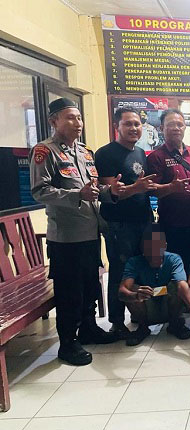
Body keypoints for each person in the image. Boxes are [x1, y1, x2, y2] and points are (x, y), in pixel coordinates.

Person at [30, 98, 125, 365]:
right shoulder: (44, 151)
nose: (78, 123)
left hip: (91, 232)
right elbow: (40, 191)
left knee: (91, 285)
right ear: (54, 121)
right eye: (70, 117)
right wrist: (76, 195)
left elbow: (91, 190)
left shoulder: (84, 152)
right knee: (70, 291)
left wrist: (110, 191)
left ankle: (89, 329)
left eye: (79, 117)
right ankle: (68, 343)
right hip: (66, 237)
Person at [96, 107, 158, 340]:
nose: (134, 128)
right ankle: (116, 321)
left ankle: (138, 315)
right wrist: (136, 188)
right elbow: (111, 193)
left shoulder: (141, 153)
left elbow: (146, 186)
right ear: (117, 126)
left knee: (140, 270)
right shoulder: (105, 154)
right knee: (120, 271)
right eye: (128, 124)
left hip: (143, 221)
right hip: (119, 224)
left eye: (137, 124)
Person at [119, 224, 190, 346]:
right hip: (147, 308)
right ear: (142, 247)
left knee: (176, 285)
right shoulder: (134, 262)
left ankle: (175, 324)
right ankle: (143, 328)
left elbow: (182, 285)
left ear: (164, 246)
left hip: (169, 307)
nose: (153, 250)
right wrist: (136, 295)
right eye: (148, 246)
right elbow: (122, 291)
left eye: (157, 245)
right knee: (132, 289)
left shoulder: (174, 259)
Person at [147, 108, 190, 271]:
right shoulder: (156, 157)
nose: (176, 128)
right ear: (161, 128)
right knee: (173, 267)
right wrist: (171, 188)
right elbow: (151, 190)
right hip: (171, 224)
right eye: (171, 124)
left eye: (180, 124)